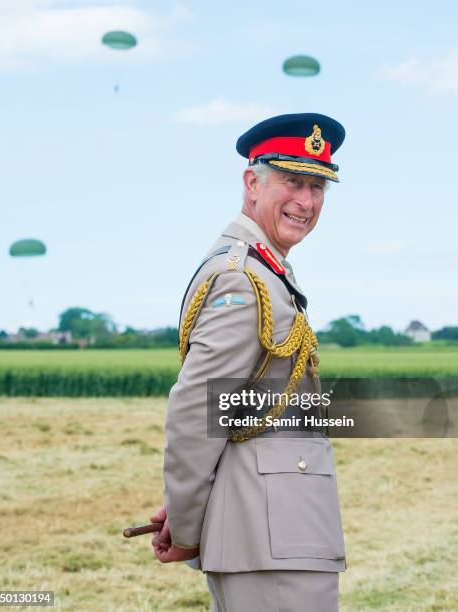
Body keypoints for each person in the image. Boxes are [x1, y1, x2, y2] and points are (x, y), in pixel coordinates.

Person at [151, 113, 347, 611]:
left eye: (318, 186)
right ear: (251, 183)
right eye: (293, 182)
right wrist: (189, 527)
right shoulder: (243, 277)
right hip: (273, 540)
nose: (307, 201)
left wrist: (189, 508)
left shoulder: (264, 267)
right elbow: (199, 410)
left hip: (276, 530)